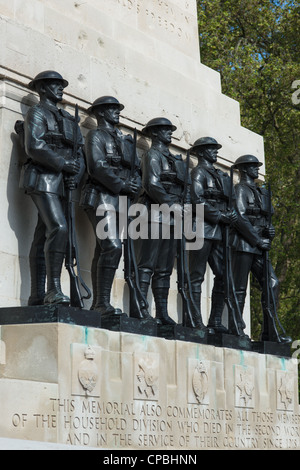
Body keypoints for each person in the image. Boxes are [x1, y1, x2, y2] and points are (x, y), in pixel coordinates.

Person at [19, 70, 85, 305]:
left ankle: (37, 294)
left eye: (61, 84)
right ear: (42, 88)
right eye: (54, 84)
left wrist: (76, 172)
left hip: (63, 183)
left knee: (42, 234)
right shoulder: (37, 113)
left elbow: (80, 152)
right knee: (59, 227)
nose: (60, 88)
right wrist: (63, 163)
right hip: (42, 178)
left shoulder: (69, 119)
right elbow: (34, 146)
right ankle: (52, 289)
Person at [81, 96, 141, 317]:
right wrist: (123, 184)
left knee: (104, 248)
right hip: (100, 197)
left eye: (117, 109)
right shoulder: (96, 135)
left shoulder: (124, 140)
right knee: (113, 246)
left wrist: (134, 183)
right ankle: (101, 303)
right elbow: (96, 166)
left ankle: (100, 303)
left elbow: (136, 167)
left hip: (118, 200)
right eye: (112, 109)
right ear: (101, 112)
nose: (117, 112)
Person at [134, 117, 193, 326]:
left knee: (165, 268)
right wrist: (172, 204)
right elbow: (151, 184)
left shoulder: (176, 160)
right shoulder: (152, 155)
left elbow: (185, 188)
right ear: (155, 133)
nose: (170, 132)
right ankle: (140, 309)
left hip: (172, 218)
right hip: (153, 214)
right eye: (165, 129)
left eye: (170, 129)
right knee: (146, 264)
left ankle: (161, 312)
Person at [231, 154, 291, 343]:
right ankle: (236, 328)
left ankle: (270, 331)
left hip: (259, 245)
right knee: (239, 289)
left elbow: (263, 218)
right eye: (253, 166)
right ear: (244, 169)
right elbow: (240, 217)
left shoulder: (259, 191)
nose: (257, 169)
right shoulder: (240, 189)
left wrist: (269, 231)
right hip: (244, 245)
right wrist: (258, 240)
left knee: (272, 283)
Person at [188, 137, 238, 333]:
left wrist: (231, 214)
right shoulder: (198, 172)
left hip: (219, 231)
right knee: (196, 276)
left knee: (224, 275)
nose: (216, 151)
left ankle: (215, 320)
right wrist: (221, 216)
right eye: (211, 149)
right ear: (201, 152)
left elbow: (229, 201)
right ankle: (194, 319)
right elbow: (197, 200)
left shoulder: (220, 175)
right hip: (202, 228)